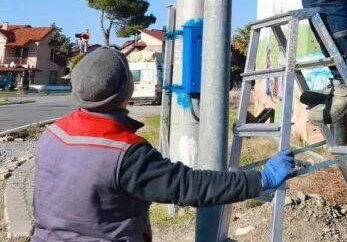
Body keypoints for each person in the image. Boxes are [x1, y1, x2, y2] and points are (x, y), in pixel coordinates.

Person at [32, 47, 294, 241]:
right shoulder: (125, 151)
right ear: (127, 90)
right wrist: (260, 179)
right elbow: (189, 186)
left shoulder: (52, 134)